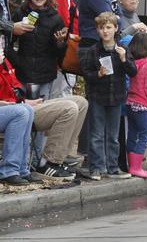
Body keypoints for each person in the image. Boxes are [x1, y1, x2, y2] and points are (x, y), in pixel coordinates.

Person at [0, 44, 85, 181]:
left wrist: (25, 99)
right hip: (14, 109)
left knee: (81, 102)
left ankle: (60, 159)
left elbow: (14, 90)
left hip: (22, 104)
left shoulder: (5, 63)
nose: (1, 47)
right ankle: (47, 163)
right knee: (68, 108)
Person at [79, 12, 137, 180]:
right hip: (97, 96)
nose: (105, 31)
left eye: (109, 27)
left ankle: (113, 167)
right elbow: (86, 74)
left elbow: (133, 72)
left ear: (116, 29)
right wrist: (98, 74)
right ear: (97, 30)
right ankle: (96, 168)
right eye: (102, 28)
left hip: (116, 97)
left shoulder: (122, 49)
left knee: (113, 135)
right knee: (96, 134)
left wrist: (124, 59)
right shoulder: (93, 51)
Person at [13, 0, 68, 98]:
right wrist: (16, 61)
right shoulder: (19, 13)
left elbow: (60, 52)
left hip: (45, 73)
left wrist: (60, 43)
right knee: (25, 108)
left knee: (43, 110)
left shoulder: (55, 18)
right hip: (23, 72)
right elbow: (8, 41)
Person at [124, 32, 147, 179]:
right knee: (145, 135)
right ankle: (136, 166)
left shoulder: (132, 63)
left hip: (129, 102)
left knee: (132, 133)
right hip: (143, 105)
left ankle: (129, 163)